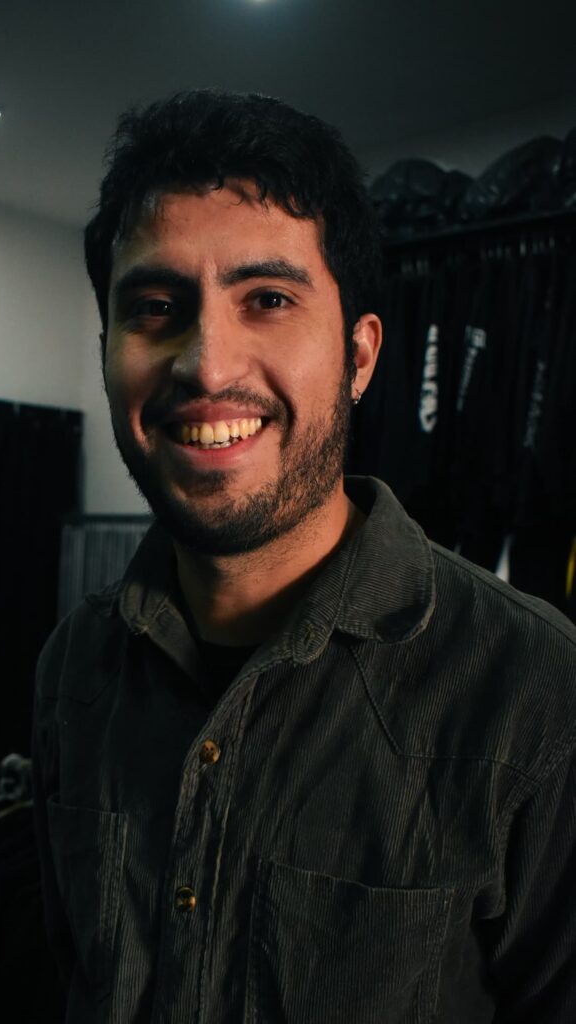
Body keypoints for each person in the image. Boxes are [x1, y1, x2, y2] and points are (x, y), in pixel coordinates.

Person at [32, 90, 576, 1023]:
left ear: (359, 357)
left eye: (269, 300)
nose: (206, 365)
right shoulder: (73, 667)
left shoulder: (537, 694)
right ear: (108, 350)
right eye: (156, 307)